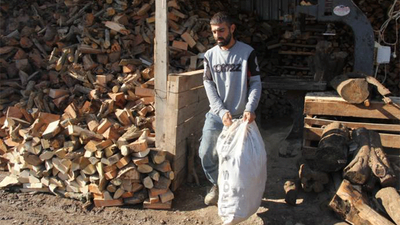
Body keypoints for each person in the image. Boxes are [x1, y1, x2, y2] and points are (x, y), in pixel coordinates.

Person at [199, 11, 262, 205]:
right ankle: (217, 184)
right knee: (206, 152)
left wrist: (250, 108)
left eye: (221, 30)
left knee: (242, 158)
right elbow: (208, 85)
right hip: (217, 116)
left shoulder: (247, 52)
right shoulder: (209, 56)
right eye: (214, 32)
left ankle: (239, 191)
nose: (217, 35)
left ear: (232, 29)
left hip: (241, 117)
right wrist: (220, 111)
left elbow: (256, 83)